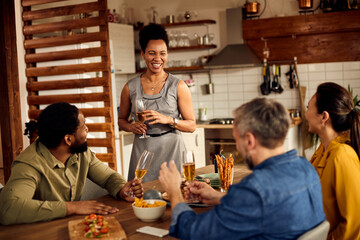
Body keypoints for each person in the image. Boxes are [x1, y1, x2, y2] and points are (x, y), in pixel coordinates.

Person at [159, 98, 325, 239]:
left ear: (250, 141)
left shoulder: (255, 189)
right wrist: (218, 197)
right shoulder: (306, 168)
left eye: (236, 140)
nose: (237, 147)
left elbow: (192, 232)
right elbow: (264, 208)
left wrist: (174, 192)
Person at [0, 102, 143, 225]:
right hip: (39, 230)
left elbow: (108, 177)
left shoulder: (81, 152)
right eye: (83, 126)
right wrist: (72, 207)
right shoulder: (28, 164)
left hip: (71, 226)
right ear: (68, 139)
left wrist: (121, 189)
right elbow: (8, 208)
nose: (87, 129)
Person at [118, 24, 195, 183]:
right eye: (152, 53)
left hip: (172, 151)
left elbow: (191, 125)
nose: (157, 58)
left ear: (167, 54)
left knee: (174, 197)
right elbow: (121, 121)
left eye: (162, 53)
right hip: (142, 151)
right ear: (143, 54)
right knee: (140, 198)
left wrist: (169, 120)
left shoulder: (178, 86)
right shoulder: (129, 87)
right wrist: (131, 126)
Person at [305, 82, 360, 239]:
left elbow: (355, 224)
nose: (306, 113)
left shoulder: (342, 155)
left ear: (324, 117)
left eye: (308, 107)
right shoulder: (324, 147)